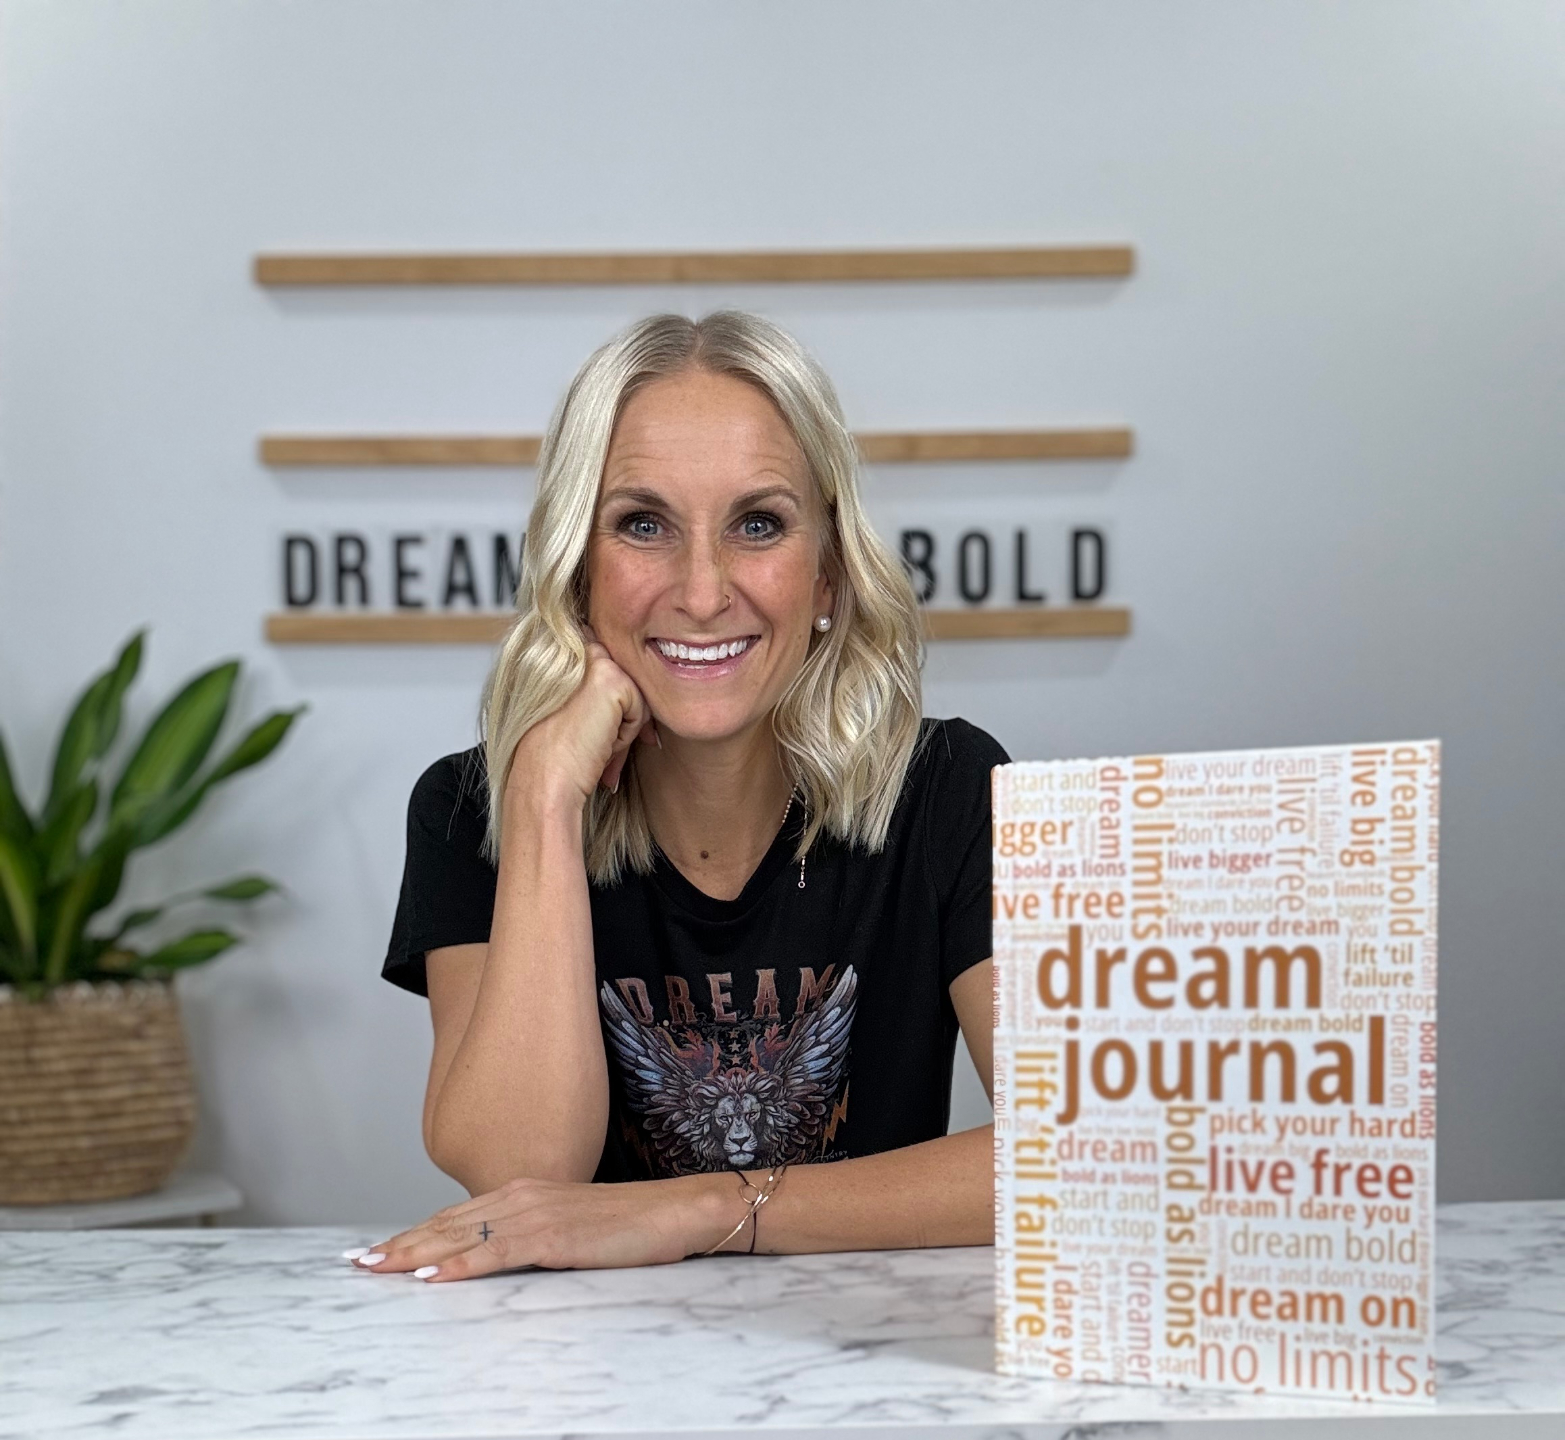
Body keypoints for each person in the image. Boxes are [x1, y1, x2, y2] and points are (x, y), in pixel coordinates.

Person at [357, 311, 1009, 1283]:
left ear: (826, 572)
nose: (702, 594)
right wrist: (542, 802)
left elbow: (1070, 1153)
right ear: (576, 568)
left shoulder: (948, 789)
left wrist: (705, 1208)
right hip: (582, 1359)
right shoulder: (471, 807)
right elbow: (518, 1171)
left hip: (860, 1342)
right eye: (642, 524)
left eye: (758, 524)